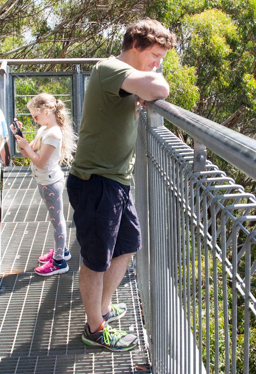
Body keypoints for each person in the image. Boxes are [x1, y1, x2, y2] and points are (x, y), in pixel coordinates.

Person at [67, 18, 176, 351]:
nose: (158, 64)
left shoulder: (124, 80)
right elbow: (161, 89)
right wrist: (153, 81)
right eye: (154, 55)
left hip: (115, 180)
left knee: (127, 244)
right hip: (96, 181)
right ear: (135, 46)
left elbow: (146, 88)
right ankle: (95, 329)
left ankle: (102, 308)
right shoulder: (109, 68)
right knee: (96, 259)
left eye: (161, 58)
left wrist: (145, 84)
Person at [13, 93, 76, 276]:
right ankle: (61, 249)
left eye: (35, 115)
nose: (34, 119)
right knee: (54, 219)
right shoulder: (44, 129)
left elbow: (40, 162)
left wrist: (25, 145)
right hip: (43, 180)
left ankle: (59, 261)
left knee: (57, 222)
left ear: (47, 111)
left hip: (50, 182)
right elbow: (28, 153)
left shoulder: (54, 134)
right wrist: (20, 138)